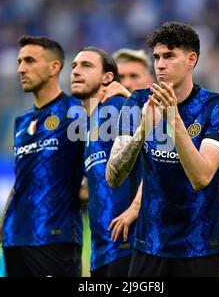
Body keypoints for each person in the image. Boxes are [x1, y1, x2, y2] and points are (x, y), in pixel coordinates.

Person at [106, 22, 219, 277]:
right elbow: (113, 177)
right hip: (149, 246)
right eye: (156, 57)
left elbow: (201, 177)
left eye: (169, 56)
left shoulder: (217, 107)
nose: (160, 64)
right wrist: (143, 130)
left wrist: (173, 119)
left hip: (199, 247)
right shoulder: (138, 102)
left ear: (191, 60)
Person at [0, 36, 84, 277]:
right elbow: (20, 186)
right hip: (15, 240)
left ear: (53, 67)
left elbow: (96, 166)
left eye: (29, 61)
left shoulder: (76, 113)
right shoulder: (22, 122)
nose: (20, 69)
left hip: (55, 239)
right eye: (19, 62)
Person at [70, 47, 142, 277]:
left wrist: (135, 208)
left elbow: (156, 159)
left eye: (86, 66)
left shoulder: (117, 106)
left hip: (126, 244)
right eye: (73, 66)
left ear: (107, 77)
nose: (76, 71)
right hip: (101, 250)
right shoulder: (88, 124)